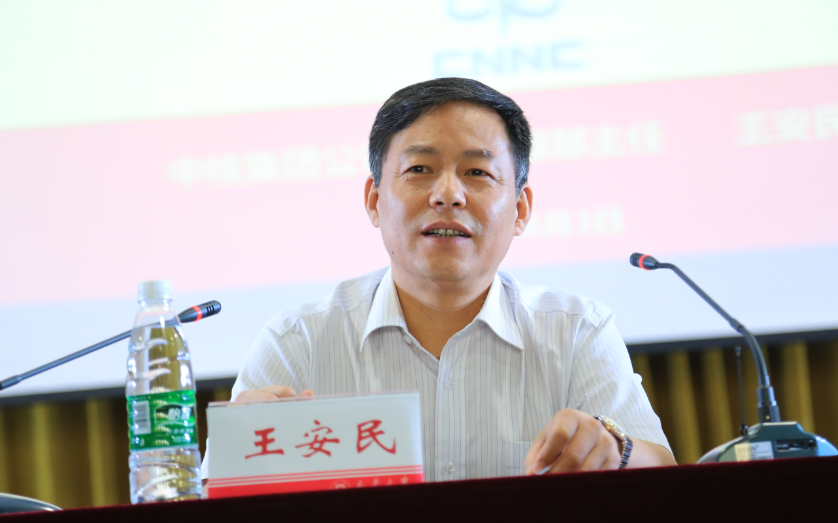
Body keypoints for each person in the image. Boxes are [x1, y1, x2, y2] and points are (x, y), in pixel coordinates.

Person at [202, 78, 675, 482]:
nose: (448, 194)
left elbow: (662, 472)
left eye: (477, 172)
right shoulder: (298, 342)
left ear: (520, 209)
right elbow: (206, 496)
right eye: (419, 170)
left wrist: (616, 450)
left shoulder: (576, 332)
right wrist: (242, 454)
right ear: (374, 200)